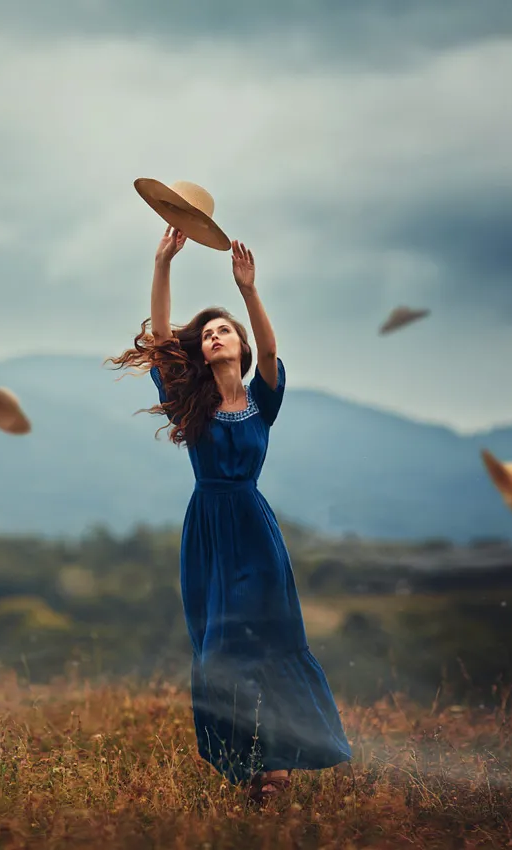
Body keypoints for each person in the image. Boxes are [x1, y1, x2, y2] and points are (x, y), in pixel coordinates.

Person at [107, 225, 352, 807]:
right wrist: (162, 262)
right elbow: (163, 337)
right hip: (208, 534)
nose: (215, 337)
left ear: (237, 346)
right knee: (218, 651)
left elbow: (270, 351)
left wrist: (248, 292)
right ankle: (249, 763)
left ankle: (278, 763)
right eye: (209, 333)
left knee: (267, 643)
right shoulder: (191, 401)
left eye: (224, 332)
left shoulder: (263, 398)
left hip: (256, 532)